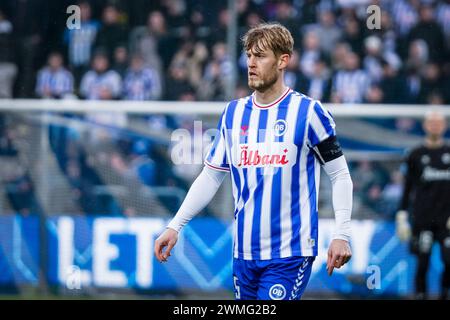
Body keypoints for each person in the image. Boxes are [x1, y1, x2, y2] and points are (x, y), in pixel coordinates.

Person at [154, 23, 353, 300]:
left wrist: (342, 233)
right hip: (244, 252)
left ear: (283, 60)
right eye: (249, 56)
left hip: (289, 252)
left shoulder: (308, 112)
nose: (251, 63)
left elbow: (340, 175)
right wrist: (175, 225)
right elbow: (212, 175)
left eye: (260, 56)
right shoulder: (233, 113)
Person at [396, 110, 450, 300]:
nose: (435, 126)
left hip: (447, 222)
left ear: (444, 126)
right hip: (423, 220)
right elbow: (407, 189)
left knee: (449, 261)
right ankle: (421, 295)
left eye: (439, 122)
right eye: (432, 122)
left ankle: (444, 294)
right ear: (426, 126)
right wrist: (401, 217)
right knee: (422, 263)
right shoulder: (415, 155)